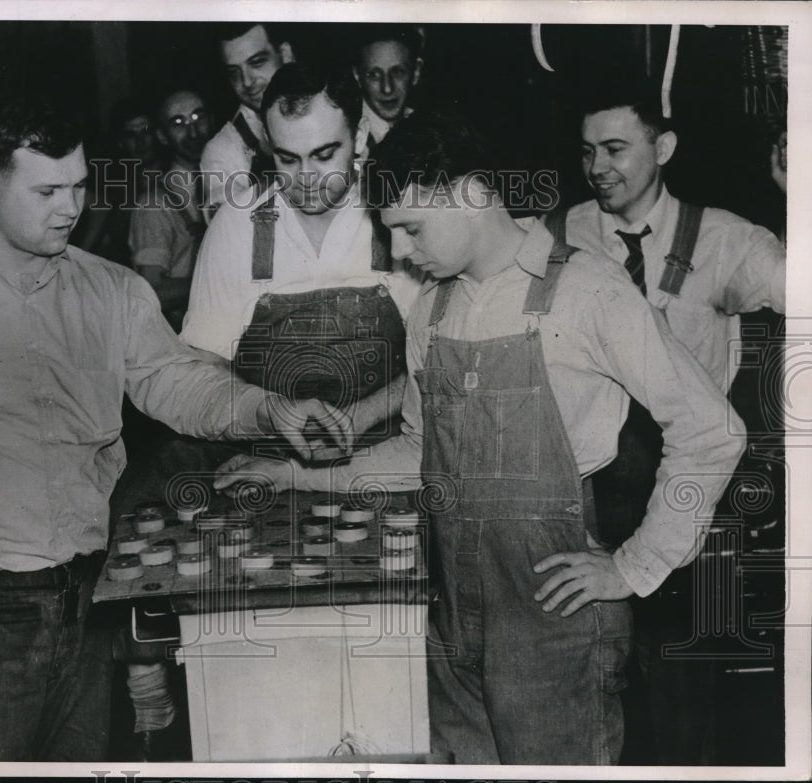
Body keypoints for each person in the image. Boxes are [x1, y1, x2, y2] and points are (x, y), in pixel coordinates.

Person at [215, 108, 745, 765]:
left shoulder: (587, 289)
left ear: (469, 193)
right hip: (454, 620)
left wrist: (637, 564)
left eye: (410, 229)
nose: (403, 253)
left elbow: (711, 427)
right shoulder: (433, 311)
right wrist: (295, 476)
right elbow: (419, 453)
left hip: (554, 623)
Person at [0, 95, 351, 762]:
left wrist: (267, 408)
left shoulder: (112, 291)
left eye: (80, 186)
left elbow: (176, 378)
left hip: (87, 596)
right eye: (48, 189)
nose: (71, 207)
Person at [543, 87, 786, 763]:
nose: (598, 166)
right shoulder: (557, 238)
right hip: (591, 497)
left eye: (616, 149)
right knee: (596, 701)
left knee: (684, 715)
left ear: (664, 147)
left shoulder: (728, 240)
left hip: (692, 501)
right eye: (588, 151)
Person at [181, 62, 421, 444]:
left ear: (359, 137)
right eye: (287, 159)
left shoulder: (400, 214)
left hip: (388, 447)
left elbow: (437, 356)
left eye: (324, 154)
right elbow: (200, 370)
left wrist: (366, 413)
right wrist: (269, 412)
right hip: (265, 452)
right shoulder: (237, 224)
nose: (306, 179)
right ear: (267, 144)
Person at [128, 88, 212, 330]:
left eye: (199, 118)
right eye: (178, 123)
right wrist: (218, 280)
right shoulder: (154, 204)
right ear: (163, 137)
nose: (193, 131)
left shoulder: (229, 187)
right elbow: (152, 291)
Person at [199, 22, 294, 220]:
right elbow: (231, 223)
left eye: (257, 62)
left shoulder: (333, 114)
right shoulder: (223, 149)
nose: (247, 81)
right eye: (234, 73)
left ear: (285, 54)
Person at [72, 96, 163, 266]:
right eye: (131, 136)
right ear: (121, 143)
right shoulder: (117, 188)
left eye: (146, 131)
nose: (140, 142)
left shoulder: (178, 177)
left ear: (159, 134)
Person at [351, 24, 424, 151]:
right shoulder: (348, 137)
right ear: (357, 75)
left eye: (397, 72)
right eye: (373, 75)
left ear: (416, 72)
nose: (387, 89)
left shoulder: (427, 128)